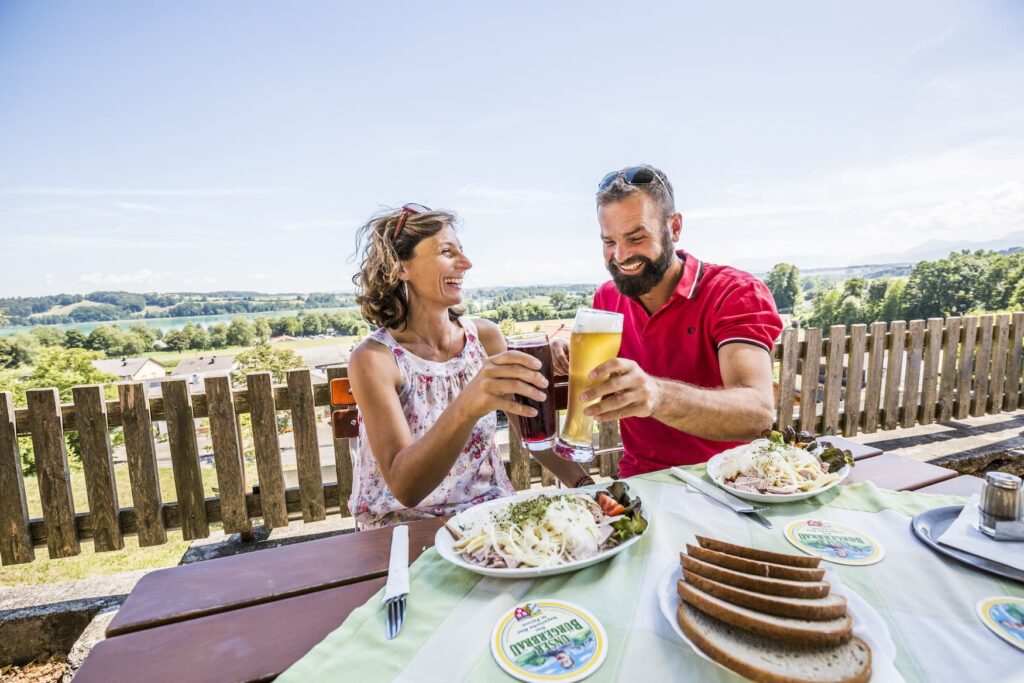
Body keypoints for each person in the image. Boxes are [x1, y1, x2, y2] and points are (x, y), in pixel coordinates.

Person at [348, 204, 592, 528]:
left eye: (462, 252)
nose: (466, 264)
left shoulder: (486, 338)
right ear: (400, 267)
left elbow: (536, 439)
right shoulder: (374, 359)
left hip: (490, 515)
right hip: (403, 529)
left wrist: (587, 488)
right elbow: (406, 488)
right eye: (447, 252)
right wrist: (468, 404)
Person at [552, 165, 783, 478]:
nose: (620, 256)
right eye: (609, 242)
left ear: (674, 228)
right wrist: (566, 354)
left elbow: (757, 413)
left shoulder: (734, 292)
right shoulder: (607, 299)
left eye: (636, 237)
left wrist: (658, 395)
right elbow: (602, 379)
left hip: (726, 482)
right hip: (640, 481)